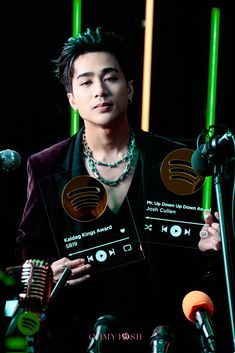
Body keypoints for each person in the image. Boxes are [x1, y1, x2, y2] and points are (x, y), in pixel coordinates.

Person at [15, 27, 228, 353]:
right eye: (86, 82)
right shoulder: (46, 166)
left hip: (162, 334)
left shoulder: (176, 162)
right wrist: (49, 272)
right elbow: (29, 256)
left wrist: (212, 248)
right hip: (80, 334)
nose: (99, 90)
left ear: (129, 89)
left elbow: (196, 264)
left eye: (110, 78)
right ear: (72, 100)